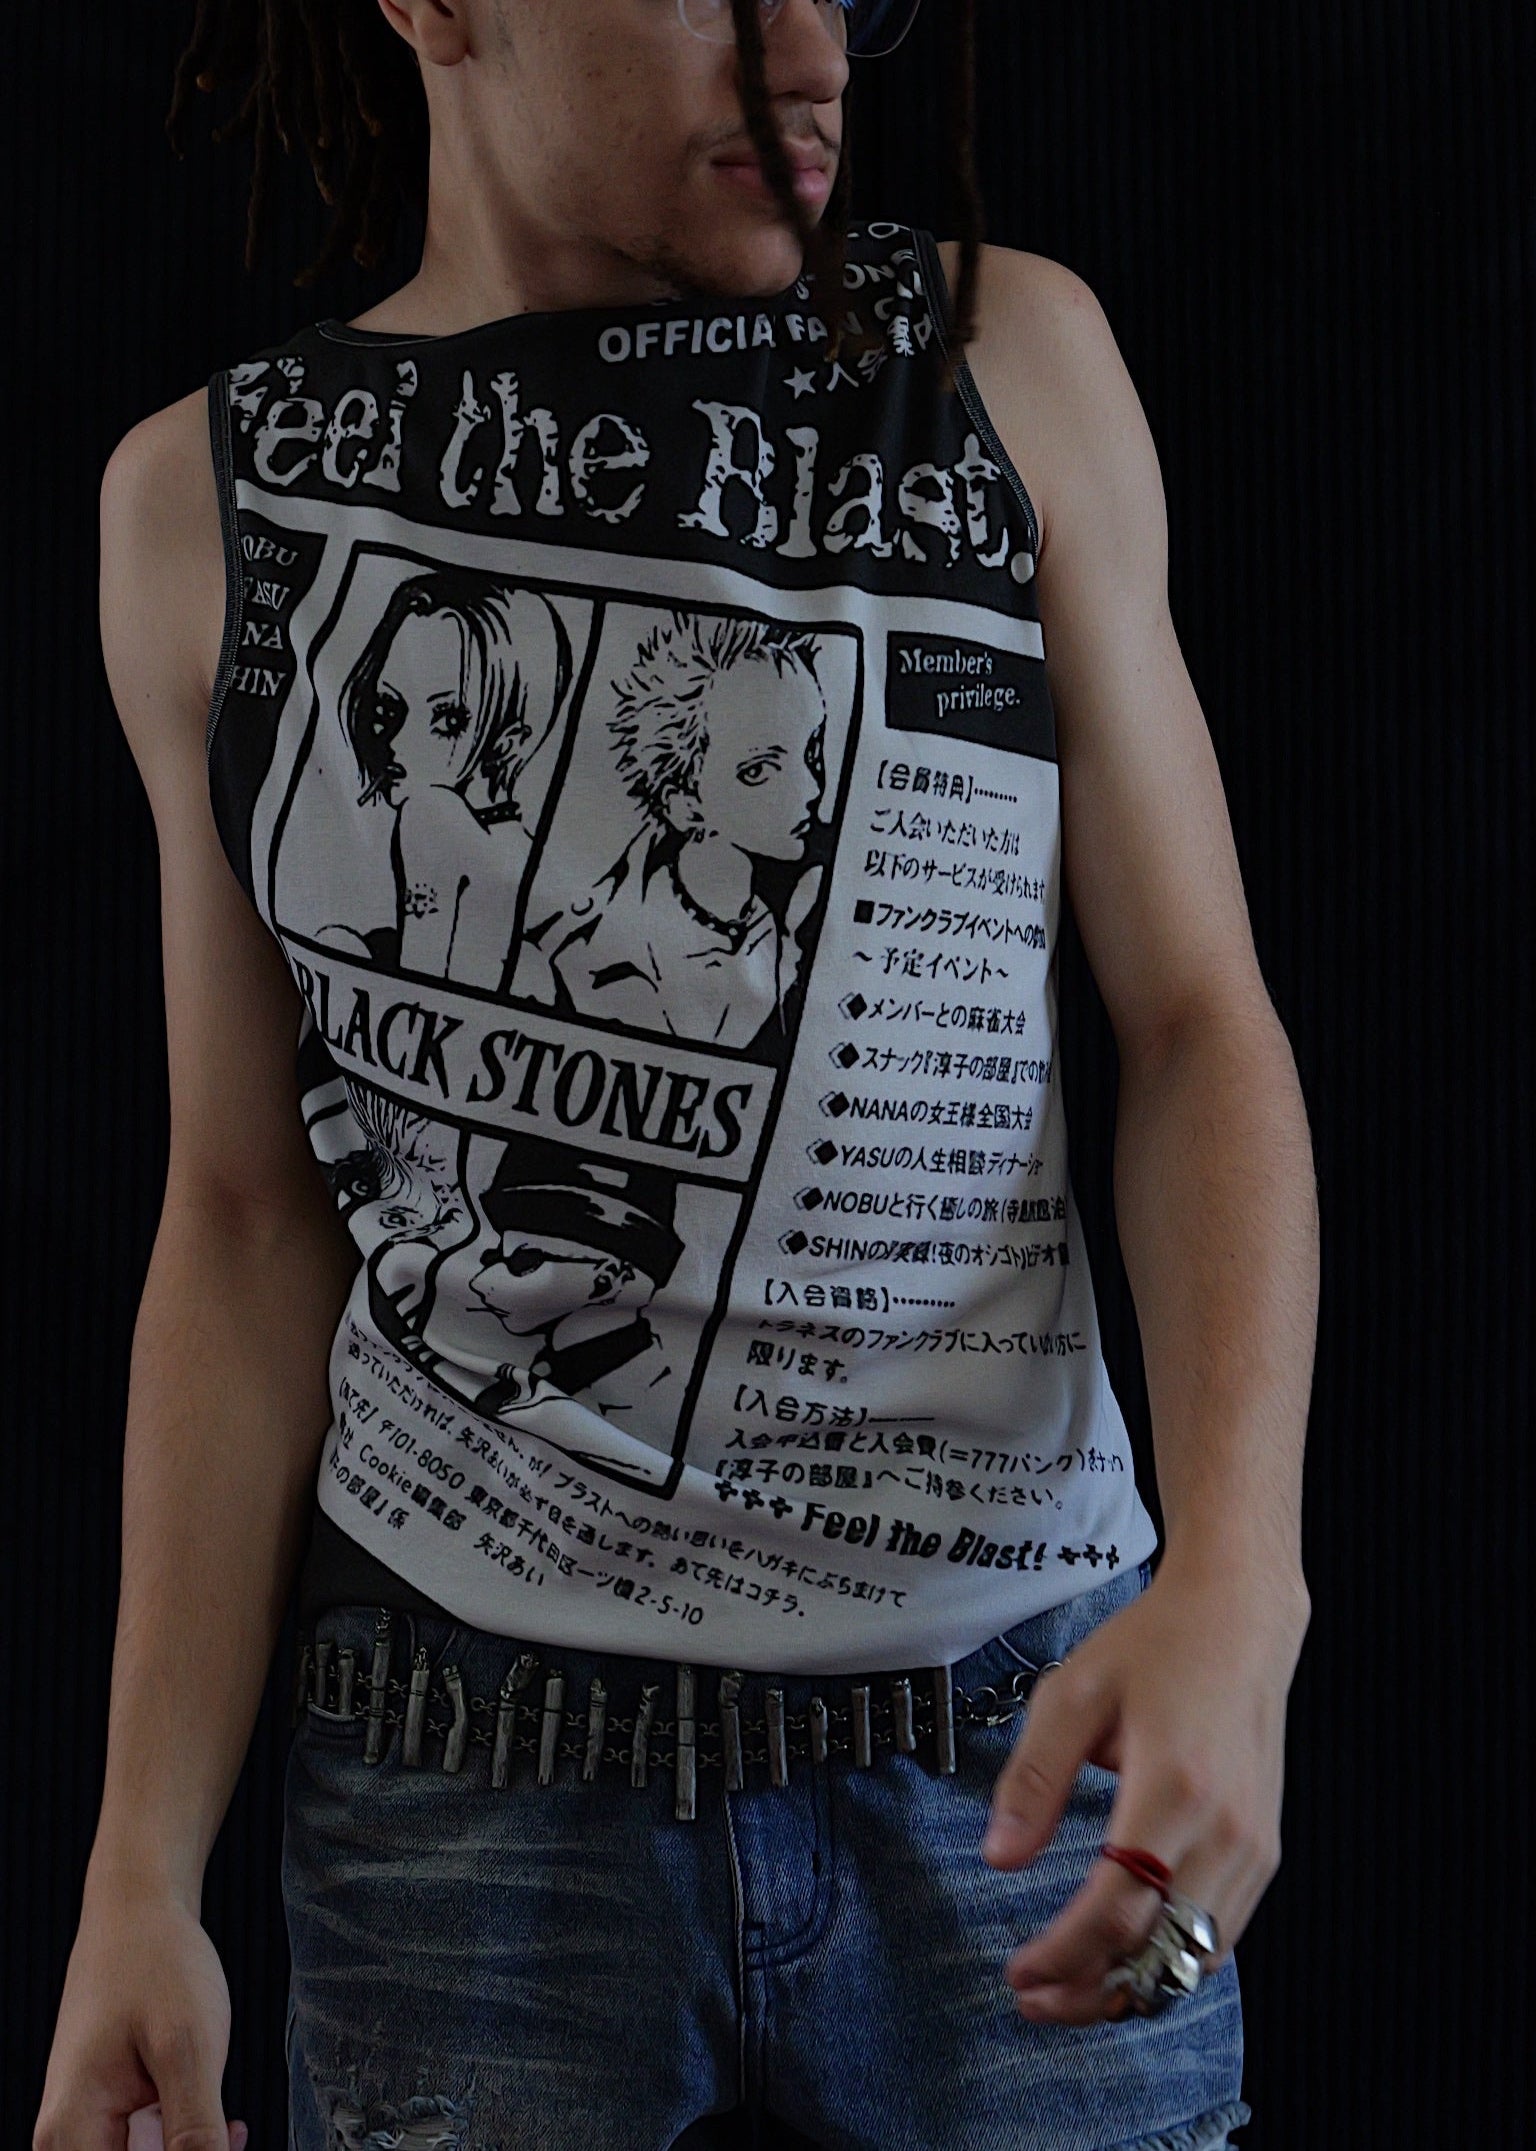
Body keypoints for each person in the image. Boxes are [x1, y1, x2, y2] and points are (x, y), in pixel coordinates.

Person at [35, 2, 1318, 2149]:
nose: (808, 57)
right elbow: (248, 1216)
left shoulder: (1002, 362)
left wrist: (1240, 1595)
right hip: (468, 1799)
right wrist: (137, 1872)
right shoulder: (202, 502)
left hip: (1016, 1758)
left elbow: (1198, 1021)